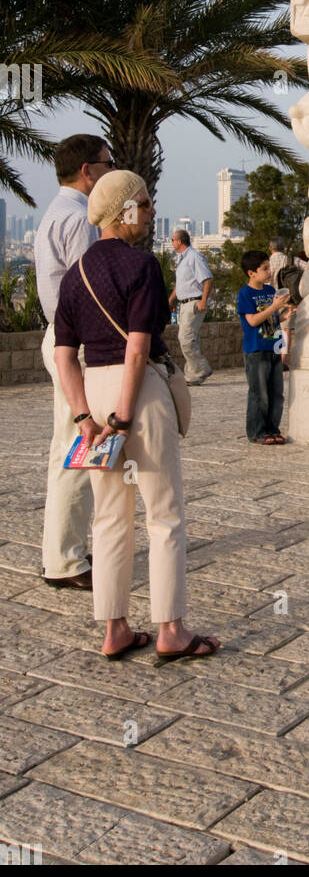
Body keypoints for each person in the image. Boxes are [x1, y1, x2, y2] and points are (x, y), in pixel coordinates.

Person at [52, 170, 220, 661]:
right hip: (137, 390)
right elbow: (139, 346)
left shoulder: (75, 274)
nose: (149, 213)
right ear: (124, 210)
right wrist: (124, 414)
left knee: (109, 518)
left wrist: (86, 418)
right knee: (163, 512)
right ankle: (171, 629)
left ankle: (115, 629)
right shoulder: (141, 265)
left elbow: (65, 356)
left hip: (92, 389)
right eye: (144, 205)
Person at [35, 134, 115, 589]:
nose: (110, 171)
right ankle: (66, 561)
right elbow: (92, 292)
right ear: (88, 170)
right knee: (79, 451)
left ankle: (60, 553)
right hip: (77, 345)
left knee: (66, 449)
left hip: (60, 340)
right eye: (108, 164)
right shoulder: (79, 220)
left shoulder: (54, 213)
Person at [237, 249, 294, 445]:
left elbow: (270, 318)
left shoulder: (270, 291)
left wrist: (283, 315)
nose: (269, 272)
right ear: (251, 273)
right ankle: (257, 431)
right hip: (256, 349)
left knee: (276, 393)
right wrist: (273, 308)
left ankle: (272, 429)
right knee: (259, 393)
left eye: (268, 267)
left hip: (274, 346)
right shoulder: (245, 294)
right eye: (264, 269)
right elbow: (252, 321)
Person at [167, 230, 213, 386]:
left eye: (173, 239)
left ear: (179, 241)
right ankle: (192, 375)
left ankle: (201, 368)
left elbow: (207, 278)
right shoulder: (181, 259)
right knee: (191, 338)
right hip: (184, 303)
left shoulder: (194, 257)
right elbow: (182, 284)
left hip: (194, 302)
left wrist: (203, 300)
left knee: (185, 339)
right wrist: (171, 299)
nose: (172, 242)